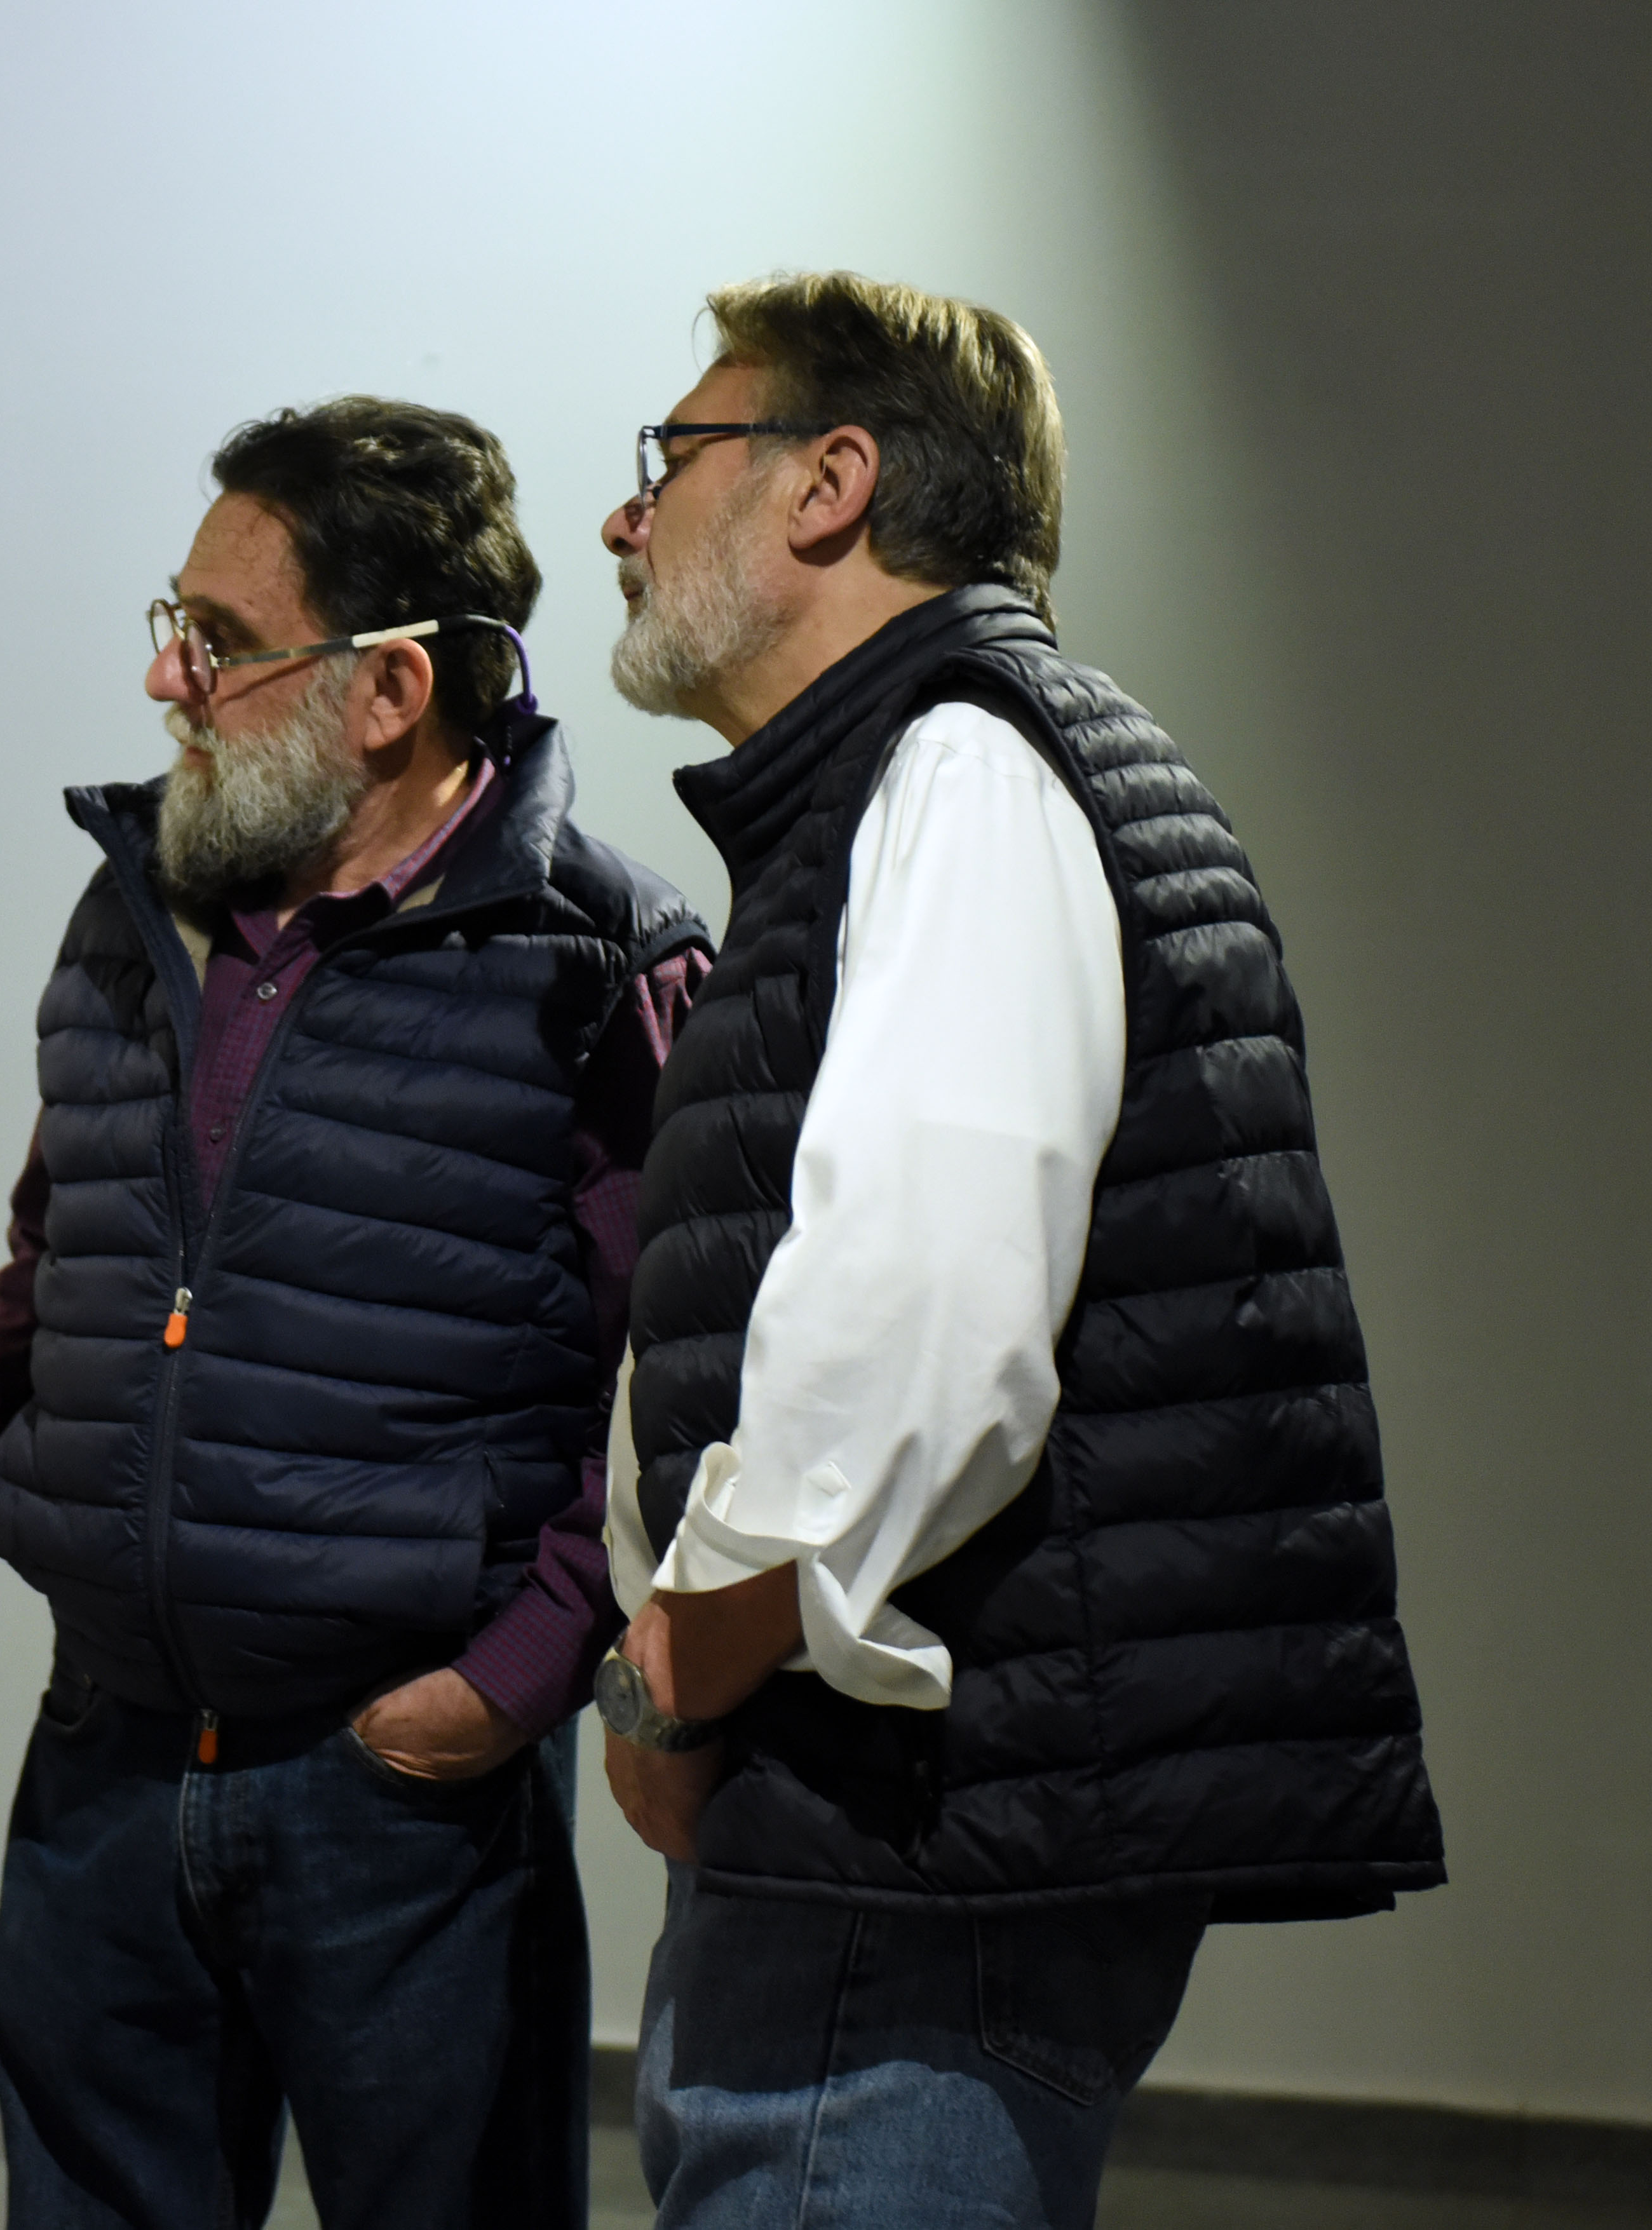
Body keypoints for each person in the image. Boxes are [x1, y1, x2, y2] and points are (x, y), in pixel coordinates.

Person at [586, 273, 1446, 2230]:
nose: (627, 515)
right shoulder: (946, 773)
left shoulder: (961, 770)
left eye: (674, 455)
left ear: (830, 483)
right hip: (919, 1835)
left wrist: (676, 1670)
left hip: (909, 1853)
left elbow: (922, 1328)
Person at [0, 396, 710, 2230]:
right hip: (104, 1773)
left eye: (221, 639)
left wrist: (498, 1692)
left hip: (399, 1800)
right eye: (172, 622)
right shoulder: (131, 917)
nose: (166, 678)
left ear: (390, 689)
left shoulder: (597, 964)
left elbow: (676, 1390)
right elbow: (53, 1267)